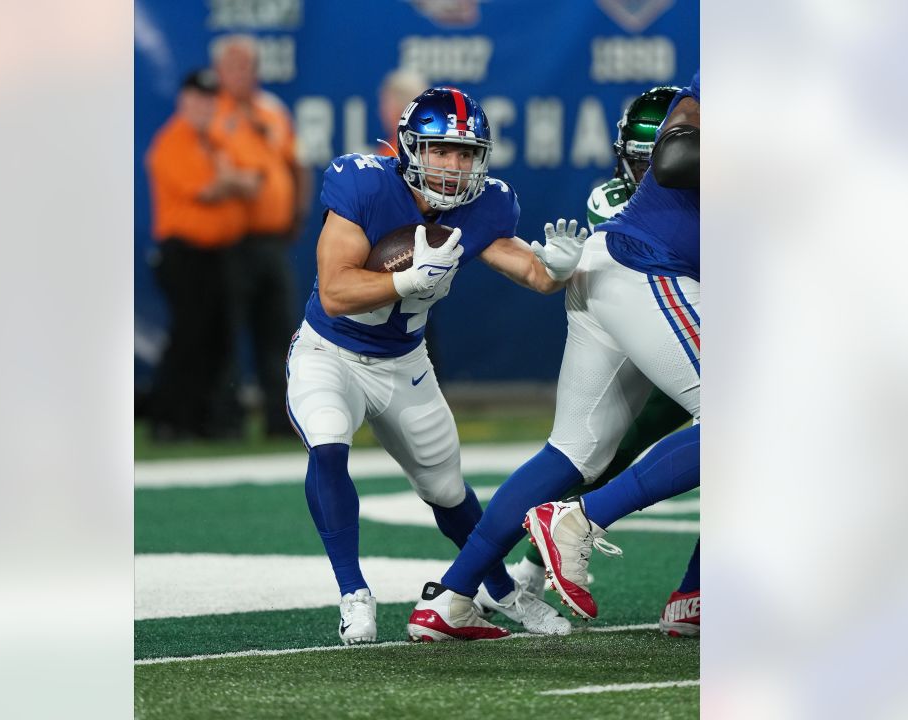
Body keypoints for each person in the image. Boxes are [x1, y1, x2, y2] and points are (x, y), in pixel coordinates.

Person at [286, 87, 588, 645]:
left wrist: (561, 270)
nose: (454, 166)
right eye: (440, 151)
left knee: (448, 491)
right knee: (328, 440)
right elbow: (333, 291)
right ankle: (354, 592)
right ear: (408, 149)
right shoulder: (364, 184)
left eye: (466, 154)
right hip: (331, 352)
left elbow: (533, 273)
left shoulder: (487, 204)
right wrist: (404, 280)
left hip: (404, 363)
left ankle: (499, 591)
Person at [407, 71, 701, 641]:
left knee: (573, 450)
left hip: (623, 270)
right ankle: (581, 521)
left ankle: (450, 598)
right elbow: (675, 156)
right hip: (653, 268)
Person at [500, 86, 700, 637]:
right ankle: (555, 538)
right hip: (651, 309)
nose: (647, 169)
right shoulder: (622, 199)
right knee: (606, 451)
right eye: (641, 157)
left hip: (687, 315)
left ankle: (697, 587)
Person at [144, 68, 261, 441]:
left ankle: (208, 420)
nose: (205, 106)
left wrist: (233, 182)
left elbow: (253, 181)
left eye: (210, 99)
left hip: (219, 255)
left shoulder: (214, 140)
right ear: (184, 101)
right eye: (197, 98)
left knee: (218, 340)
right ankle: (170, 421)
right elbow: (211, 189)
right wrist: (231, 182)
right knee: (189, 338)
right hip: (185, 255)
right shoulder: (172, 142)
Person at [212, 34, 310, 438]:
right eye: (234, 66)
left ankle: (280, 419)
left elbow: (297, 163)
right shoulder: (210, 114)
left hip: (272, 240)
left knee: (280, 331)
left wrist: (298, 212)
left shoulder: (272, 110)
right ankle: (225, 420)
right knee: (225, 331)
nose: (242, 74)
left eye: (248, 65)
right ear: (220, 71)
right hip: (229, 241)